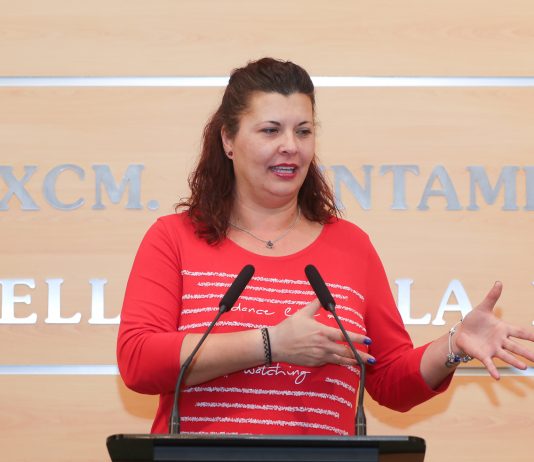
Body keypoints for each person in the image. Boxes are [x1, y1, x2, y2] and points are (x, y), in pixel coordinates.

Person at [117, 58, 534, 436]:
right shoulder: (174, 237)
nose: (290, 146)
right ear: (228, 139)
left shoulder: (350, 246)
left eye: (303, 131)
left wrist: (453, 345)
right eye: (270, 130)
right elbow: (138, 360)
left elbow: (389, 380)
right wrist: (271, 344)